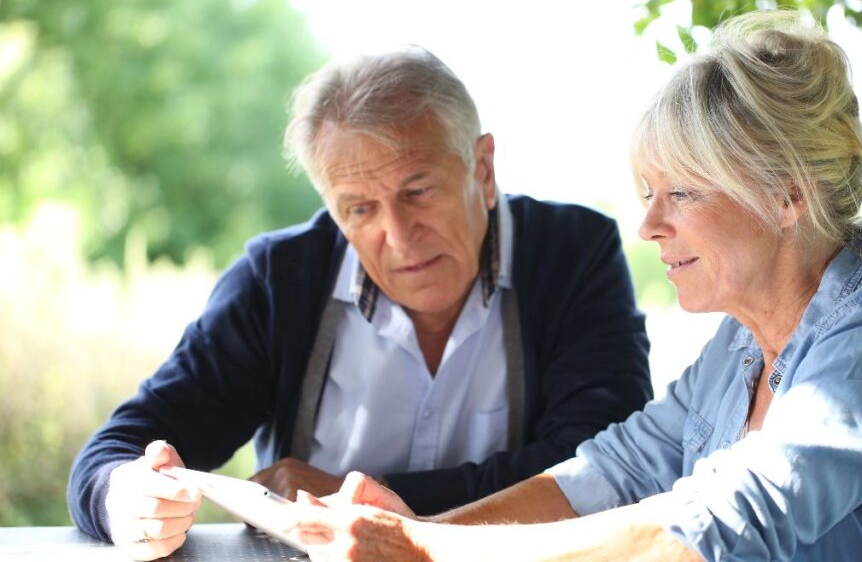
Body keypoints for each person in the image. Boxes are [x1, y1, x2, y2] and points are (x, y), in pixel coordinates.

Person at [285, 11, 862, 561]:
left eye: (683, 193)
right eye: (648, 193)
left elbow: (720, 526)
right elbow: (613, 472)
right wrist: (422, 533)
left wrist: (432, 551)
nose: (649, 226)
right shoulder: (740, 347)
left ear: (787, 196)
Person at [67, 47, 654, 561]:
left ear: (482, 167)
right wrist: (126, 497)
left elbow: (602, 468)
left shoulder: (573, 254)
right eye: (359, 209)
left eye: (417, 191)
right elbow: (119, 449)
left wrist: (363, 499)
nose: (398, 237)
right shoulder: (279, 281)